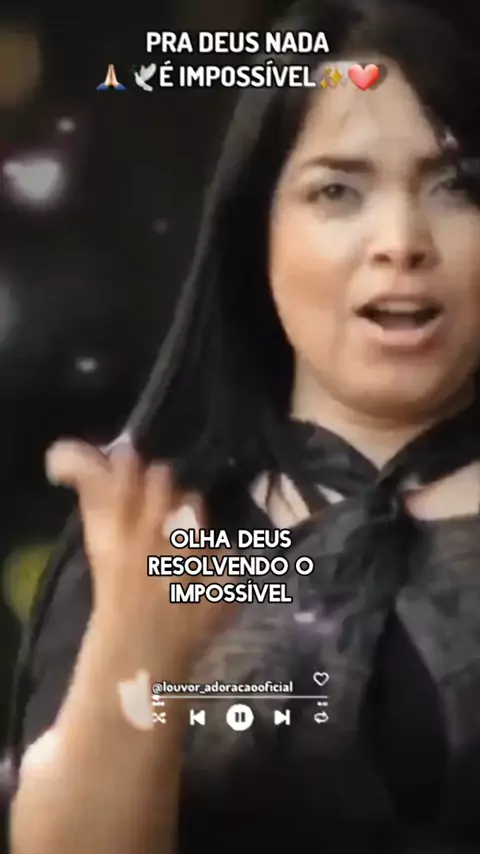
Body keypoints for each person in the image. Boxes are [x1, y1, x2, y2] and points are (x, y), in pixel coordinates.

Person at [7, 0, 480, 850]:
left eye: (455, 186)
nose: (401, 242)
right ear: (256, 231)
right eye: (337, 190)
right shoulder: (161, 532)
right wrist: (134, 652)